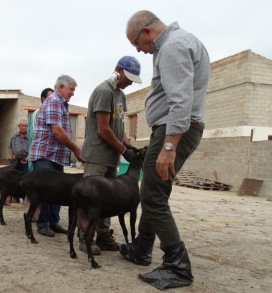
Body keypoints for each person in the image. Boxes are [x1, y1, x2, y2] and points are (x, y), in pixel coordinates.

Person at [119, 10, 210, 290]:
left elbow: (181, 100)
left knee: (152, 196)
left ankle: (177, 265)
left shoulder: (172, 47)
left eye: (137, 44)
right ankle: (142, 249)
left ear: (147, 32)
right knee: (154, 191)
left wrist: (169, 145)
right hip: (177, 128)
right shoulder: (184, 41)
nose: (139, 51)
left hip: (174, 129)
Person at [80, 56, 144, 256]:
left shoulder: (120, 95)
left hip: (111, 158)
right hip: (98, 155)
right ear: (118, 69)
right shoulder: (103, 92)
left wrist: (128, 145)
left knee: (109, 200)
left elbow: (118, 126)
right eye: (129, 77)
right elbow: (104, 129)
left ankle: (103, 235)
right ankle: (85, 237)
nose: (131, 82)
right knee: (90, 198)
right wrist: (124, 151)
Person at [29, 75, 84, 237]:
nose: (73, 93)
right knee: (46, 190)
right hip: (46, 154)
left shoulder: (61, 104)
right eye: (71, 89)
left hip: (56, 156)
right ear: (61, 86)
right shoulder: (53, 101)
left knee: (58, 190)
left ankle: (53, 222)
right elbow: (57, 131)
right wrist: (75, 149)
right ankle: (43, 223)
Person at [27, 88, 53, 172]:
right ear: (43, 99)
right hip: (41, 156)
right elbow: (34, 136)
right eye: (50, 97)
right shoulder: (37, 113)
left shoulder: (52, 112)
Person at [7, 119, 29, 203]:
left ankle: (25, 198)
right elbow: (9, 147)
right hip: (15, 159)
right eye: (22, 125)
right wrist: (12, 156)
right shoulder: (14, 136)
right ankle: (15, 198)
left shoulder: (30, 136)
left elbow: (33, 148)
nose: (24, 127)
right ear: (19, 126)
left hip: (26, 159)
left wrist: (27, 158)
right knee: (14, 178)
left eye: (25, 126)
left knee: (26, 179)